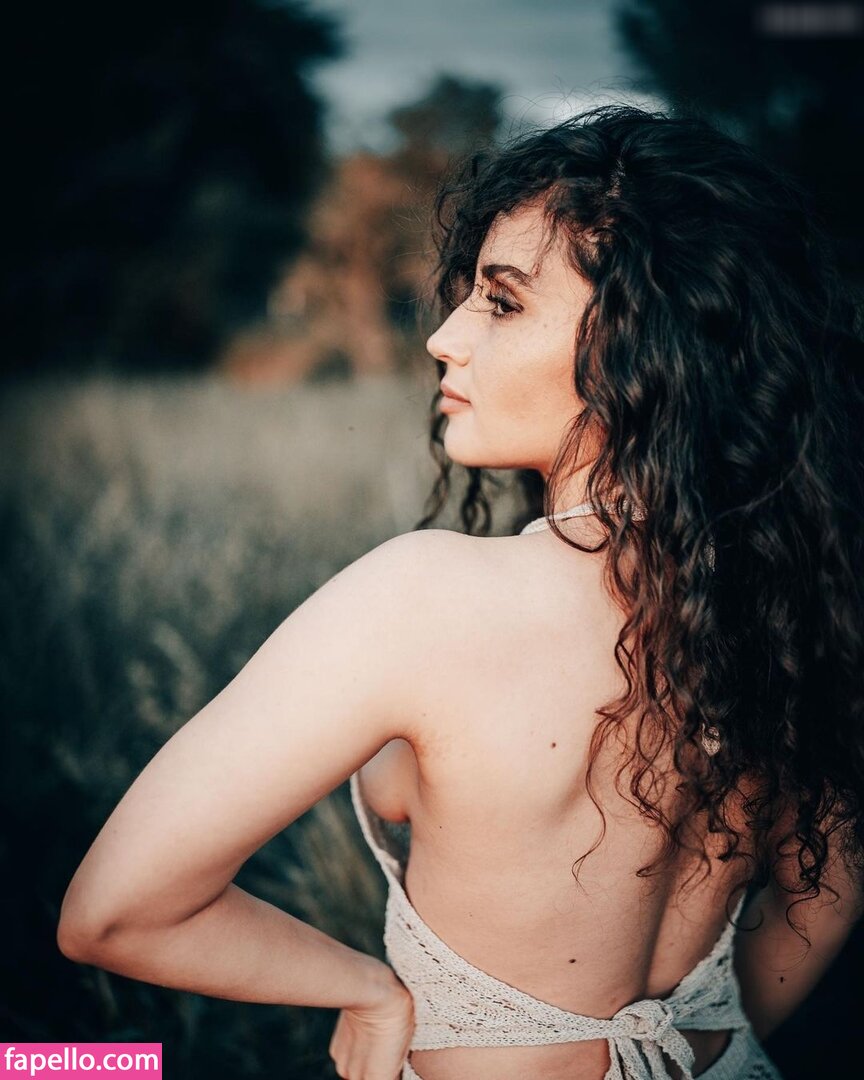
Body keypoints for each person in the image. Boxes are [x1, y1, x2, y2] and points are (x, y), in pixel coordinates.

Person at [57, 105, 864, 1080]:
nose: (444, 337)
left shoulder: (425, 598)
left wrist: (365, 991)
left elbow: (115, 912)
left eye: (503, 302)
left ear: (648, 343)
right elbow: (828, 891)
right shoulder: (788, 601)